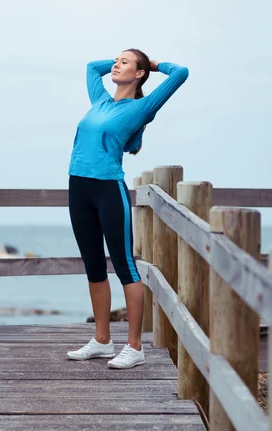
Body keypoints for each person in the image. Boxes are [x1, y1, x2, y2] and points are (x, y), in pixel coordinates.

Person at [66, 49, 189, 369]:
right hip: (78, 187)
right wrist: (126, 58)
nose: (116, 64)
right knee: (93, 266)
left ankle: (134, 347)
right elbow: (92, 66)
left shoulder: (141, 108)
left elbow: (181, 73)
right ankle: (103, 341)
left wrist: (150, 63)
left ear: (139, 74)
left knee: (125, 267)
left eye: (124, 62)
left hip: (108, 190)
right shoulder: (100, 101)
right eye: (117, 60)